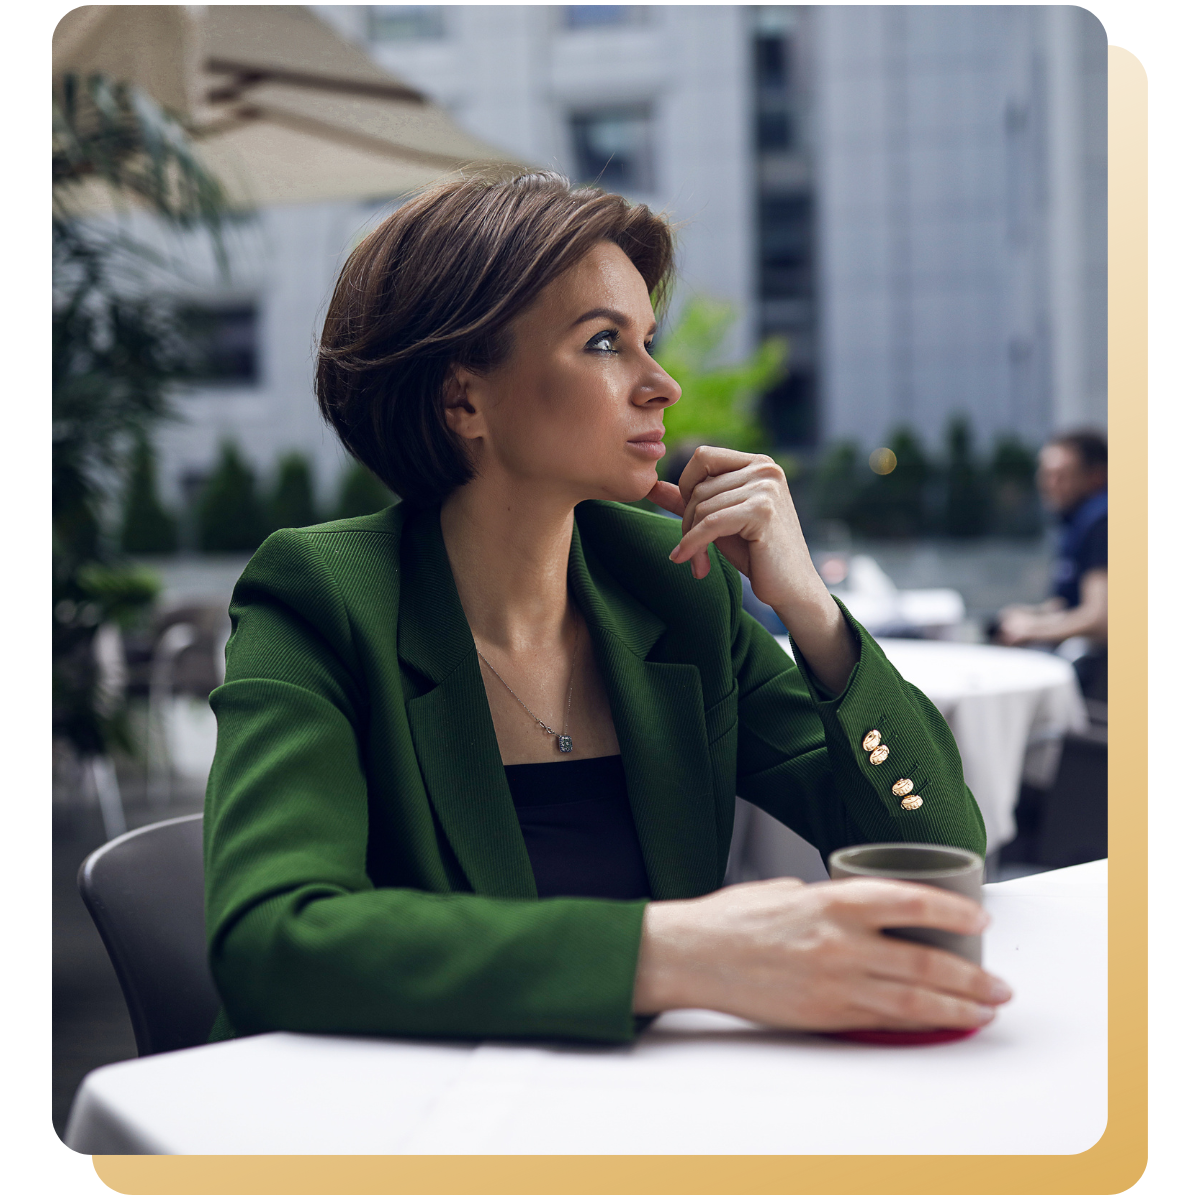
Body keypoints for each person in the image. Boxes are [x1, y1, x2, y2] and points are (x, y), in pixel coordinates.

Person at [203, 171, 1011, 1046]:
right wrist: (675, 954)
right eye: (602, 343)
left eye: (648, 341)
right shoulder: (323, 598)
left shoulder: (669, 587)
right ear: (462, 397)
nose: (660, 384)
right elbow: (271, 945)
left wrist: (810, 608)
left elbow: (941, 857)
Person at [995, 431, 1107, 700]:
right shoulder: (1077, 521)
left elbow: (1101, 618)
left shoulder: (1101, 521)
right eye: (1045, 474)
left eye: (1061, 475)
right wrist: (1031, 614)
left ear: (1095, 476)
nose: (1049, 484)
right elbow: (1069, 604)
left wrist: (1031, 629)